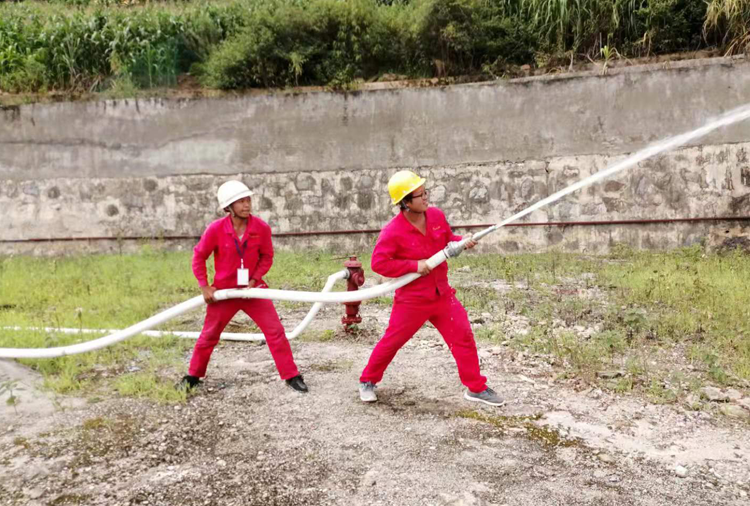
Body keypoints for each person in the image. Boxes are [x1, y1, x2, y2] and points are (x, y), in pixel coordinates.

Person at [358, 170, 503, 406]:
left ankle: (476, 388)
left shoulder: (435, 216)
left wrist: (462, 242)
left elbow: (448, 239)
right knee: (392, 342)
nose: (426, 198)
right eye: (420, 195)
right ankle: (367, 380)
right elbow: (379, 263)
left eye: (426, 192)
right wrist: (414, 265)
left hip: (442, 295)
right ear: (405, 202)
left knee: (463, 335)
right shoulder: (393, 231)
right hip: (412, 300)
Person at [180, 180, 308, 393]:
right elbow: (199, 256)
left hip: (253, 291)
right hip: (224, 293)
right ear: (228, 207)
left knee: (275, 332)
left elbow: (267, 256)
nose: (246, 205)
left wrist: (255, 279)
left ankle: (291, 375)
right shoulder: (216, 229)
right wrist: (204, 286)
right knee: (209, 335)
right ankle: (193, 376)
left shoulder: (261, 228)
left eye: (248, 200)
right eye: (240, 201)